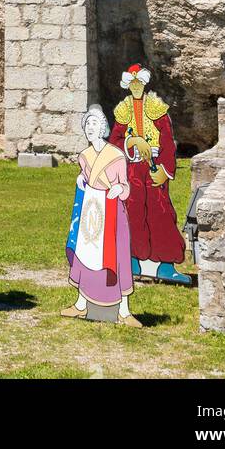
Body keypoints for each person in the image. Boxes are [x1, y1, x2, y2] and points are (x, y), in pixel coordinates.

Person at [109, 63, 191, 286]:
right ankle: (132, 260)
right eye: (132, 83)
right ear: (128, 84)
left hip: (154, 167)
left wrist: (165, 172)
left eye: (139, 83)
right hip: (132, 169)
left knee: (161, 212)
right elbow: (114, 142)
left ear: (144, 83)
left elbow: (167, 142)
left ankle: (165, 264)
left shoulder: (156, 108)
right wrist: (132, 141)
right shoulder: (123, 111)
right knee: (131, 212)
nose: (136, 87)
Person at [63, 104, 140, 327]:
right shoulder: (84, 156)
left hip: (112, 210)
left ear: (103, 128)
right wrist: (81, 179)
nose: (90, 127)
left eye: (94, 123)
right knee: (86, 253)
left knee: (117, 257)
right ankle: (81, 304)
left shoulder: (115, 156)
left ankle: (123, 310)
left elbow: (125, 186)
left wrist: (119, 190)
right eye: (87, 123)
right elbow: (85, 177)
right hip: (91, 208)